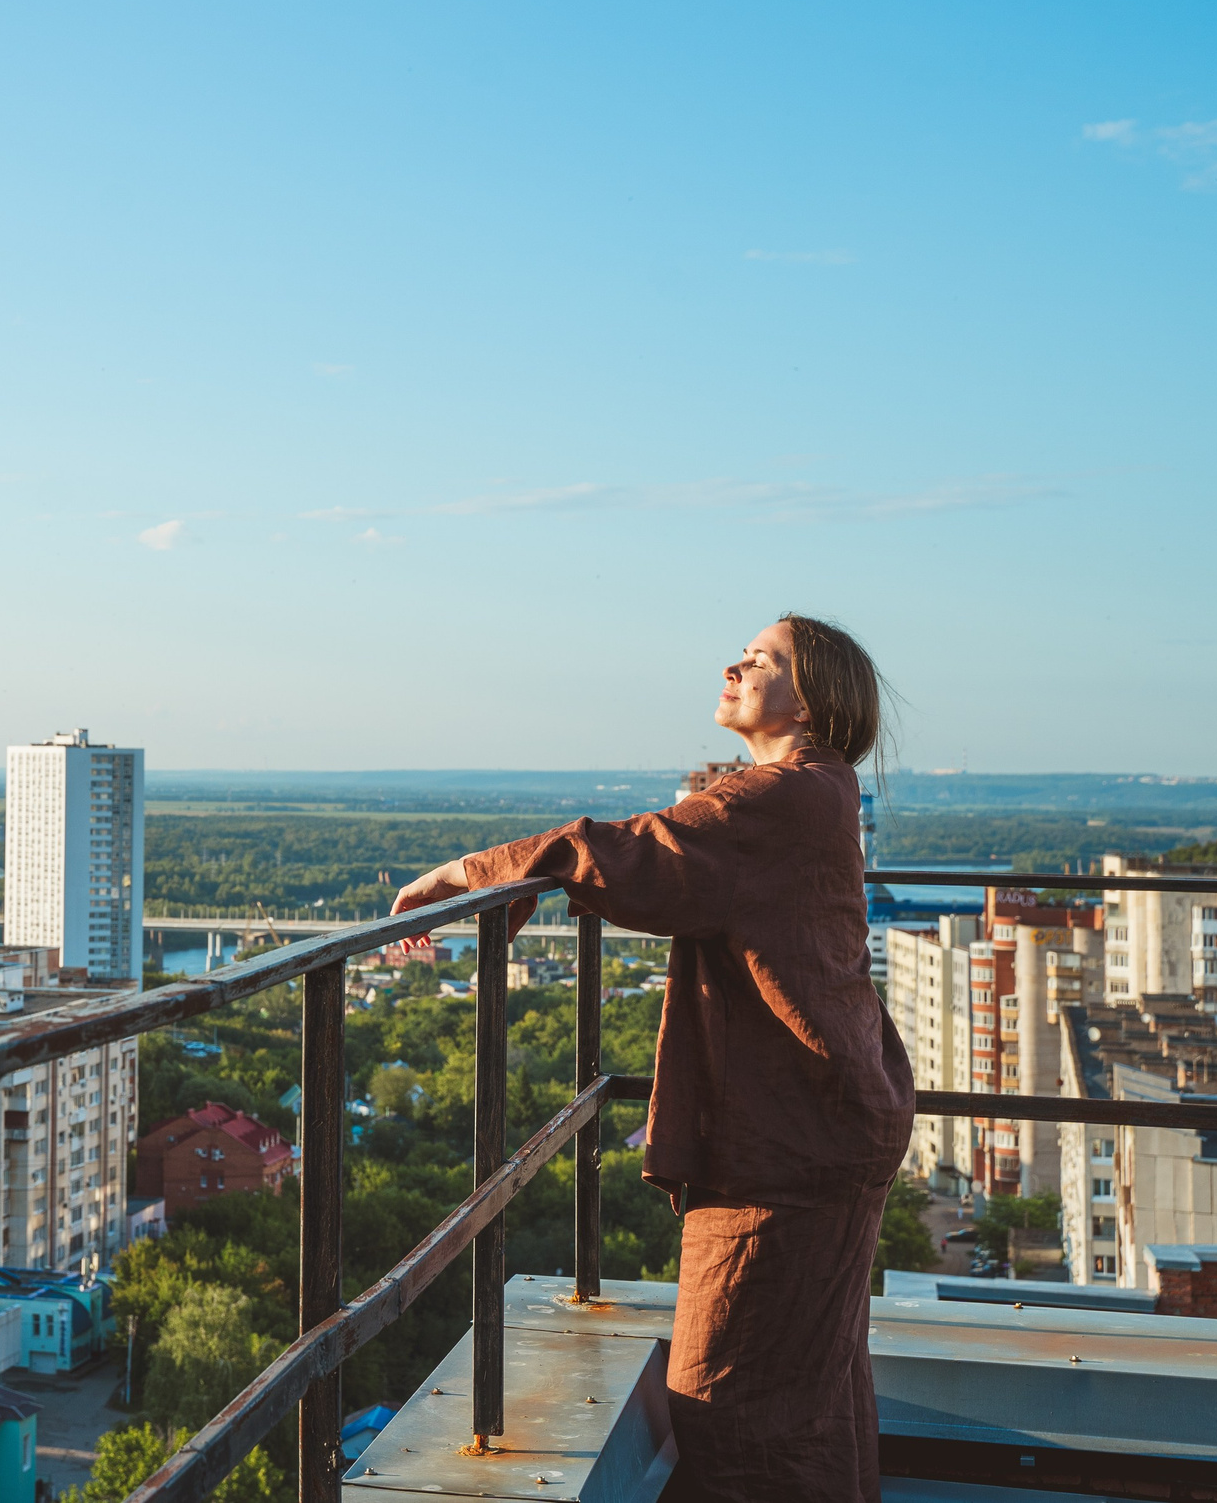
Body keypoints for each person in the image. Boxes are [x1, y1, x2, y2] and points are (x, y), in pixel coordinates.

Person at [389, 615, 912, 1503]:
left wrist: (466, 874)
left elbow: (645, 853)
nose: (734, 664)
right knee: (812, 1390)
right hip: (824, 1119)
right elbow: (684, 856)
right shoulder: (820, 789)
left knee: (730, 1403)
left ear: (813, 696)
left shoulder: (787, 796)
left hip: (790, 1146)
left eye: (760, 658)